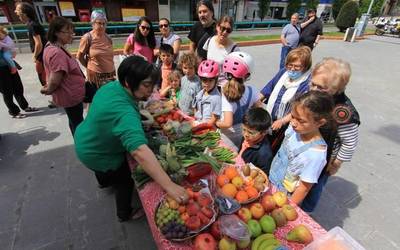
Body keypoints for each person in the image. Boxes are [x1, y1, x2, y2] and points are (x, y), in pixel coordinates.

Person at [74, 56, 188, 222]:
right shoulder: (125, 113)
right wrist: (170, 186)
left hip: (85, 139)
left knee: (106, 174)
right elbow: (139, 151)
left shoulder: (113, 86)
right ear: (128, 82)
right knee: (124, 180)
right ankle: (124, 213)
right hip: (98, 153)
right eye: (146, 85)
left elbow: (116, 115)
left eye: (152, 85)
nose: (150, 91)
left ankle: (104, 181)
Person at [301, 58, 360, 213]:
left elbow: (349, 143)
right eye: (312, 83)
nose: (313, 89)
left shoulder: (344, 113)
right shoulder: (313, 95)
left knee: (314, 185)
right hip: (305, 147)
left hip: (324, 159)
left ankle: (307, 211)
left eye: (321, 87)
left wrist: (335, 164)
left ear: (336, 89)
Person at [269, 91, 334, 205]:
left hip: (283, 196)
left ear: (320, 123)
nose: (293, 123)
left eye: (301, 121)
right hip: (270, 180)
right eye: (293, 117)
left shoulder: (316, 154)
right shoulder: (294, 129)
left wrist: (286, 208)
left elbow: (303, 188)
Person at [259, 46, 312, 153]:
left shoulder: (307, 83)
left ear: (305, 67)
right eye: (289, 65)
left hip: (286, 125)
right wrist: (255, 102)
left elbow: (299, 109)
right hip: (269, 118)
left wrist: (282, 121)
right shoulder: (283, 72)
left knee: (273, 150)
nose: (292, 69)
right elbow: (268, 89)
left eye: (297, 67)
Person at [41, 17, 85, 135]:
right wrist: (48, 89)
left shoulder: (51, 46)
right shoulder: (57, 53)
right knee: (78, 123)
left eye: (72, 32)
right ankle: (82, 146)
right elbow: (55, 80)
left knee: (74, 120)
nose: (72, 35)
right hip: (70, 95)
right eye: (68, 32)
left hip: (70, 93)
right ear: (56, 33)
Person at [216, 51, 260, 151]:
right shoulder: (252, 90)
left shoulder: (225, 91)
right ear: (247, 75)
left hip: (228, 136)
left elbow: (227, 123)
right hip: (243, 132)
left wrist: (216, 123)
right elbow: (259, 111)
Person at [77, 11, 115, 92]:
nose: (102, 26)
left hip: (110, 75)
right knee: (97, 100)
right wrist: (89, 67)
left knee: (109, 99)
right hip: (96, 76)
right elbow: (79, 56)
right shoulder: (87, 38)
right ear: (93, 23)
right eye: (99, 23)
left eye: (104, 23)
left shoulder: (108, 38)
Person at [14, 2, 47, 87]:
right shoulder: (32, 23)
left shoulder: (32, 25)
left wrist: (35, 56)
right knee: (46, 75)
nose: (15, 11)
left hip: (42, 55)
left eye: (18, 9)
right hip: (44, 54)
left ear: (24, 13)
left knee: (44, 77)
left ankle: (55, 96)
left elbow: (38, 44)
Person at [0, 50, 37, 118]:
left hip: (10, 66)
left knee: (18, 88)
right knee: (7, 92)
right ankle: (14, 112)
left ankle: (25, 106)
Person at [203, 15, 239, 85]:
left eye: (228, 30)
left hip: (224, 86)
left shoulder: (234, 49)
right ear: (217, 27)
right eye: (222, 28)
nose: (225, 32)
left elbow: (236, 72)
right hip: (209, 82)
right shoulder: (210, 41)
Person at [238, 107, 274, 174]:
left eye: (251, 132)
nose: (245, 134)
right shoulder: (248, 137)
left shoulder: (264, 155)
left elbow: (262, 175)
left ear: (264, 132)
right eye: (243, 129)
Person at [193, 60, 221, 125]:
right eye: (204, 80)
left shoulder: (216, 98)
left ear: (216, 80)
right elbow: (195, 107)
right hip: (199, 122)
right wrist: (196, 118)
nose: (207, 84)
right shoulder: (200, 93)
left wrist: (202, 127)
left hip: (208, 127)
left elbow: (214, 118)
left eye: (211, 80)